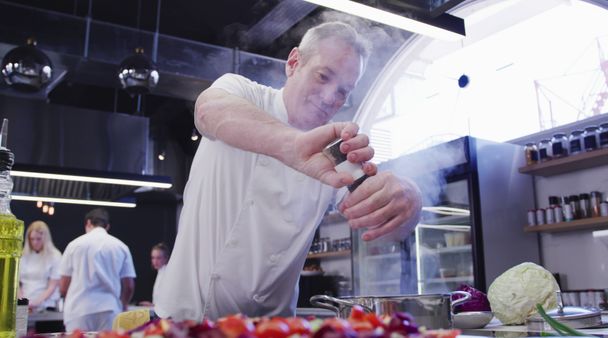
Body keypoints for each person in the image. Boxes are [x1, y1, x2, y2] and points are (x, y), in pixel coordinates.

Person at [155, 21, 421, 321]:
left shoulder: (336, 151)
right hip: (181, 320)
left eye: (343, 91)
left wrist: (407, 200)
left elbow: (382, 221)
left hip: (271, 328)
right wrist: (293, 145)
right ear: (294, 63)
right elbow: (208, 110)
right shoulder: (243, 93)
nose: (329, 97)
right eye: (323, 76)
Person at [59, 208, 137, 331]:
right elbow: (129, 286)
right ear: (107, 226)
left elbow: (63, 287)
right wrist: (123, 304)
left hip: (78, 310)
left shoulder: (74, 245)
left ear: (88, 223)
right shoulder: (121, 247)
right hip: (109, 310)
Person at [18, 220, 62, 312]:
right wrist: (23, 302)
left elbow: (52, 286)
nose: (35, 242)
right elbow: (17, 284)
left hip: (47, 307)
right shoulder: (23, 255)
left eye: (38, 239)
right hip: (24, 306)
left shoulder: (55, 256)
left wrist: (35, 303)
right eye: (32, 239)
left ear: (45, 238)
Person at [138, 242, 170, 307]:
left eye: (158, 258)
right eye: (153, 258)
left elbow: (169, 302)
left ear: (166, 258)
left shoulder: (168, 275)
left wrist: (153, 305)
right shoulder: (160, 272)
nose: (155, 261)